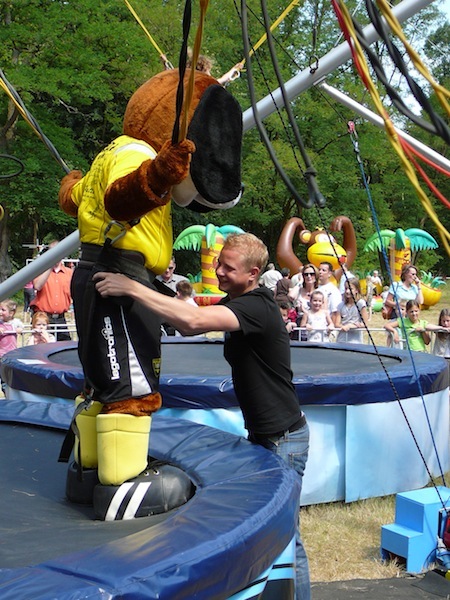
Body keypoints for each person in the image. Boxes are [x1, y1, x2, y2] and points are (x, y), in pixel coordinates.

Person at [94, 232, 310, 600]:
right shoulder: (238, 299)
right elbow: (181, 319)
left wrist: (130, 287)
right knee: (272, 528)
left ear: (253, 273)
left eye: (227, 267)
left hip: (283, 439)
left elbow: (193, 322)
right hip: (265, 435)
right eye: (218, 263)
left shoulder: (258, 305)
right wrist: (146, 286)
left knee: (286, 533)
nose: (217, 270)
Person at [30, 241, 73, 341]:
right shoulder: (40, 270)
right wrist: (49, 267)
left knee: (64, 348)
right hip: (43, 318)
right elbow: (37, 286)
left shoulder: (69, 273)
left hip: (61, 318)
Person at [335, 278, 368, 344]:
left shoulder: (361, 303)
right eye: (346, 288)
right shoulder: (341, 305)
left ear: (356, 290)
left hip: (355, 341)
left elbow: (365, 323)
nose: (347, 291)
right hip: (342, 339)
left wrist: (352, 326)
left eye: (350, 289)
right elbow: (337, 324)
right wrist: (343, 327)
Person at [431, 309, 450, 374]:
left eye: (448, 321)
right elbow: (427, 326)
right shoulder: (438, 329)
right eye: (443, 321)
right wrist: (441, 328)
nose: (445, 323)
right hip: (438, 357)